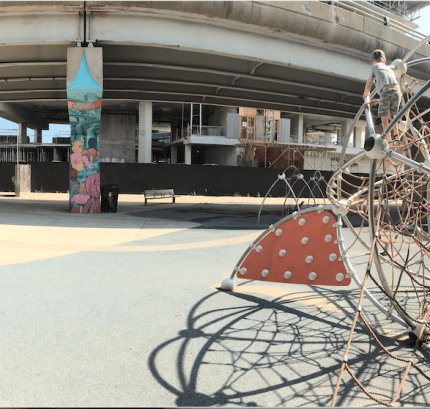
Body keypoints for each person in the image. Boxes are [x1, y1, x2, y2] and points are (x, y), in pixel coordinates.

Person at [363, 49, 402, 144]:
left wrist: (366, 92)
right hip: (397, 91)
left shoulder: (374, 67)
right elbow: (390, 93)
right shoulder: (389, 68)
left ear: (372, 62)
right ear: (384, 61)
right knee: (392, 115)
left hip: (386, 91)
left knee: (384, 118)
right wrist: (375, 101)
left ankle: (388, 141)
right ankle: (396, 135)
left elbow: (369, 82)